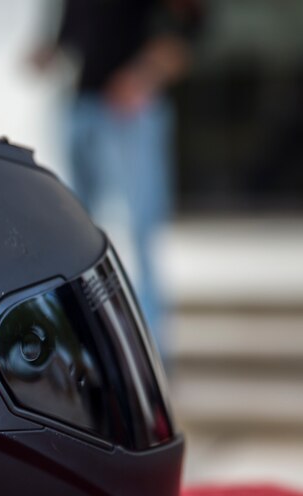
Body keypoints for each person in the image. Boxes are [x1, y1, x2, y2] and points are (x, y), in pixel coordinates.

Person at [32, 0, 202, 352]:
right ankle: (86, 341)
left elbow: (190, 30)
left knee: (139, 228)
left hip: (130, 112)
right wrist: (48, 54)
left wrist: (144, 75)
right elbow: (70, 37)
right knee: (77, 231)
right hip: (82, 106)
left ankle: (150, 349)